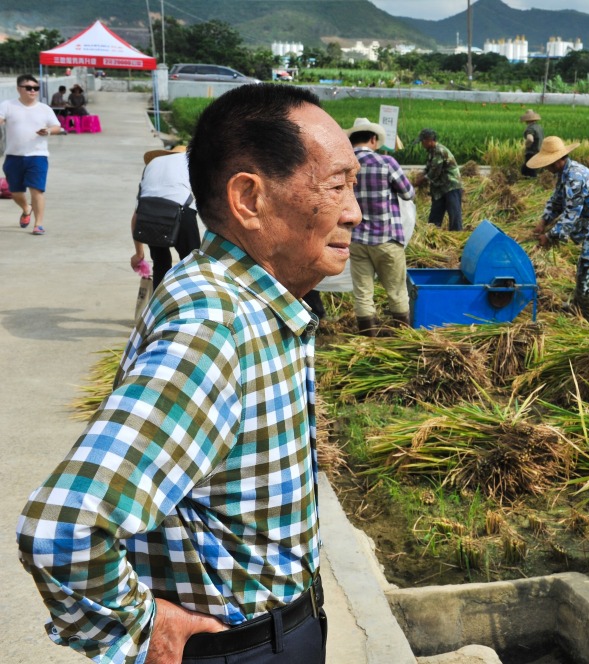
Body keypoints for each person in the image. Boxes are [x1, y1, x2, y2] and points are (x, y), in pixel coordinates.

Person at [16, 84, 361, 664]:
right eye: (335, 185)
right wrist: (144, 626)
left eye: (353, 185)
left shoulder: (255, 300)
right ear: (249, 198)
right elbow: (64, 525)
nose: (354, 209)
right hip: (238, 648)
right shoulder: (216, 322)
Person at [529, 136, 589, 324]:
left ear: (559, 159)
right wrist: (543, 222)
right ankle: (578, 310)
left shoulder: (576, 177)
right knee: (582, 270)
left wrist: (549, 236)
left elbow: (570, 215)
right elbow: (556, 201)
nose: (546, 167)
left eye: (548, 163)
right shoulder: (563, 175)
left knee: (588, 274)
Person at [345, 116, 416, 335]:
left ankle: (368, 341)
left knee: (363, 293)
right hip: (386, 238)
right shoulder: (386, 163)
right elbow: (408, 193)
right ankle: (402, 338)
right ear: (373, 139)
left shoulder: (346, 167)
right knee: (396, 292)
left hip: (356, 239)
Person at [130, 145, 201, 289]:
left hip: (150, 215)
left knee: (160, 264)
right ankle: (193, 304)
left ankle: (159, 309)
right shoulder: (189, 160)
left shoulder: (152, 165)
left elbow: (137, 216)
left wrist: (139, 254)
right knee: (192, 266)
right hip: (181, 211)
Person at [0, 74, 64, 236]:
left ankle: (39, 224)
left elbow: (57, 127)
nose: (32, 91)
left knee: (37, 190)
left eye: (35, 88)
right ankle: (26, 208)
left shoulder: (45, 109)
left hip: (38, 156)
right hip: (14, 156)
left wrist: (48, 131)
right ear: (18, 89)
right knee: (15, 192)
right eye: (28, 88)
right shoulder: (7, 105)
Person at [412, 127, 463, 231]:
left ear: (429, 140)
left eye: (423, 141)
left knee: (454, 215)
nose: (422, 144)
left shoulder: (439, 151)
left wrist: (419, 181)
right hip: (439, 188)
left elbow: (434, 172)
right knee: (435, 216)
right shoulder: (431, 152)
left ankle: (457, 236)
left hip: (451, 186)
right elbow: (428, 169)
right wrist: (420, 175)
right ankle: (432, 234)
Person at [519, 109, 543, 178]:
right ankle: (528, 182)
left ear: (527, 120)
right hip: (539, 151)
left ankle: (531, 184)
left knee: (530, 170)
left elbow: (530, 139)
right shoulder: (539, 127)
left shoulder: (530, 129)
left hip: (531, 152)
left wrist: (526, 145)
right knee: (526, 169)